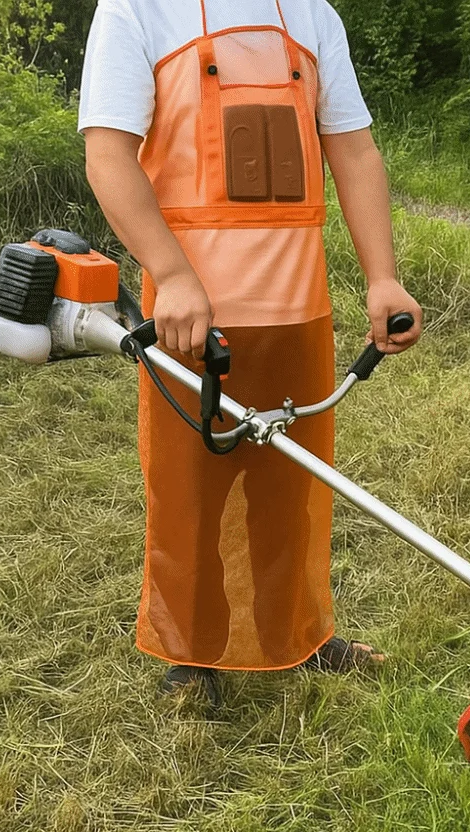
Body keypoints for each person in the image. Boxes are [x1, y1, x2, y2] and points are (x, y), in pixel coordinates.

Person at [78, 0, 423, 706]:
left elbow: (353, 150)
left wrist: (383, 276)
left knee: (291, 491)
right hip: (189, 322)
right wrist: (171, 275)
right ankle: (191, 657)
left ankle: (298, 634)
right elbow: (107, 154)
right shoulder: (137, 10)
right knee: (187, 494)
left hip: (300, 309)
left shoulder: (312, 16)